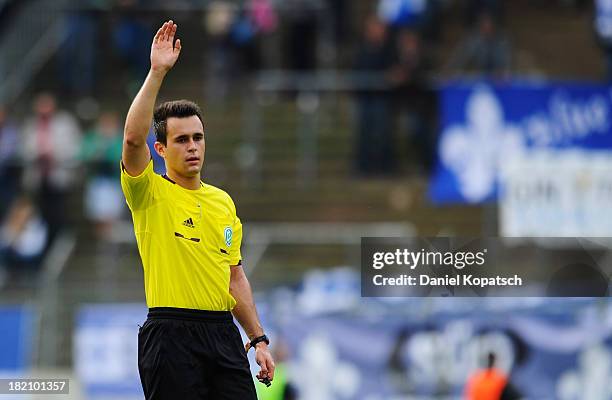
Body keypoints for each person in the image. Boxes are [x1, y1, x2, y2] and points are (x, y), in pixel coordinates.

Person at [121, 20, 274, 399]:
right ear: (161, 149)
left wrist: (258, 339)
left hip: (223, 334)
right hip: (170, 334)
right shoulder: (148, 191)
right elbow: (132, 137)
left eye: (198, 137)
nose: (192, 146)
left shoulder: (222, 202)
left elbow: (234, 278)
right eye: (181, 139)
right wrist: (157, 72)